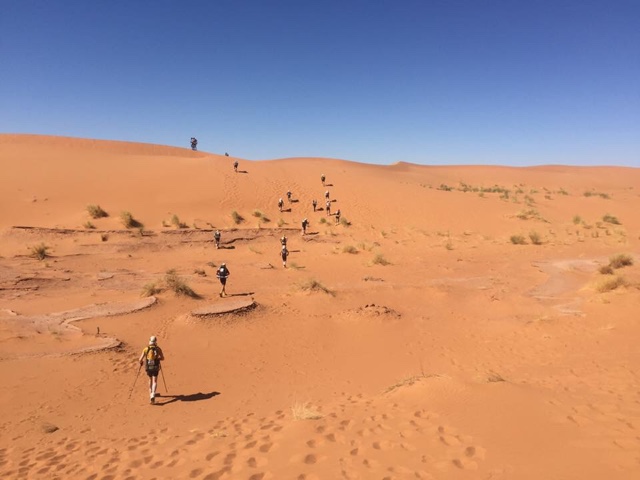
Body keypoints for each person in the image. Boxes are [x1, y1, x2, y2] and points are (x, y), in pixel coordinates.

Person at [138, 336, 165, 404]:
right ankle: (153, 394)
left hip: (148, 367)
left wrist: (141, 363)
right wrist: (158, 358)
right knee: (155, 381)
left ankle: (151, 396)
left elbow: (140, 359)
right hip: (155, 367)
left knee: (150, 380)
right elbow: (162, 358)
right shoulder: (158, 349)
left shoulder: (146, 349)